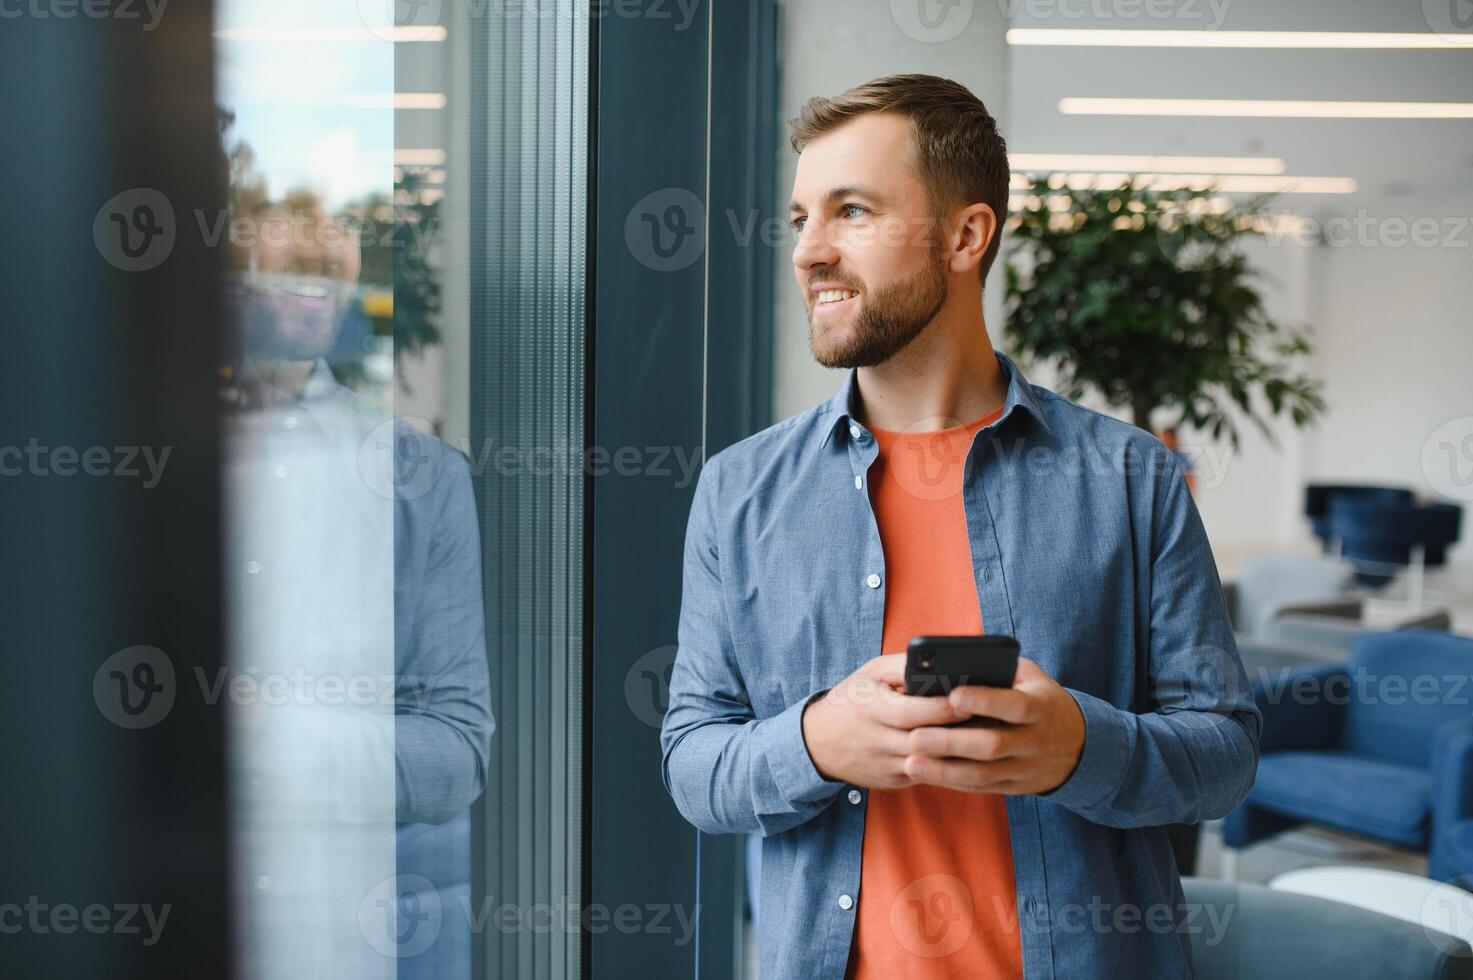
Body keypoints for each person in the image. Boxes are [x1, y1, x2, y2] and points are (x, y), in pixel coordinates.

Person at [659, 74, 1259, 979]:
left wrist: (1080, 747)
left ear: (965, 235)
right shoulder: (738, 490)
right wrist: (817, 742)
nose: (808, 251)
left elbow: (1224, 754)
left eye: (850, 211)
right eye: (798, 219)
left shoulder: (1129, 476)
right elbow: (693, 764)